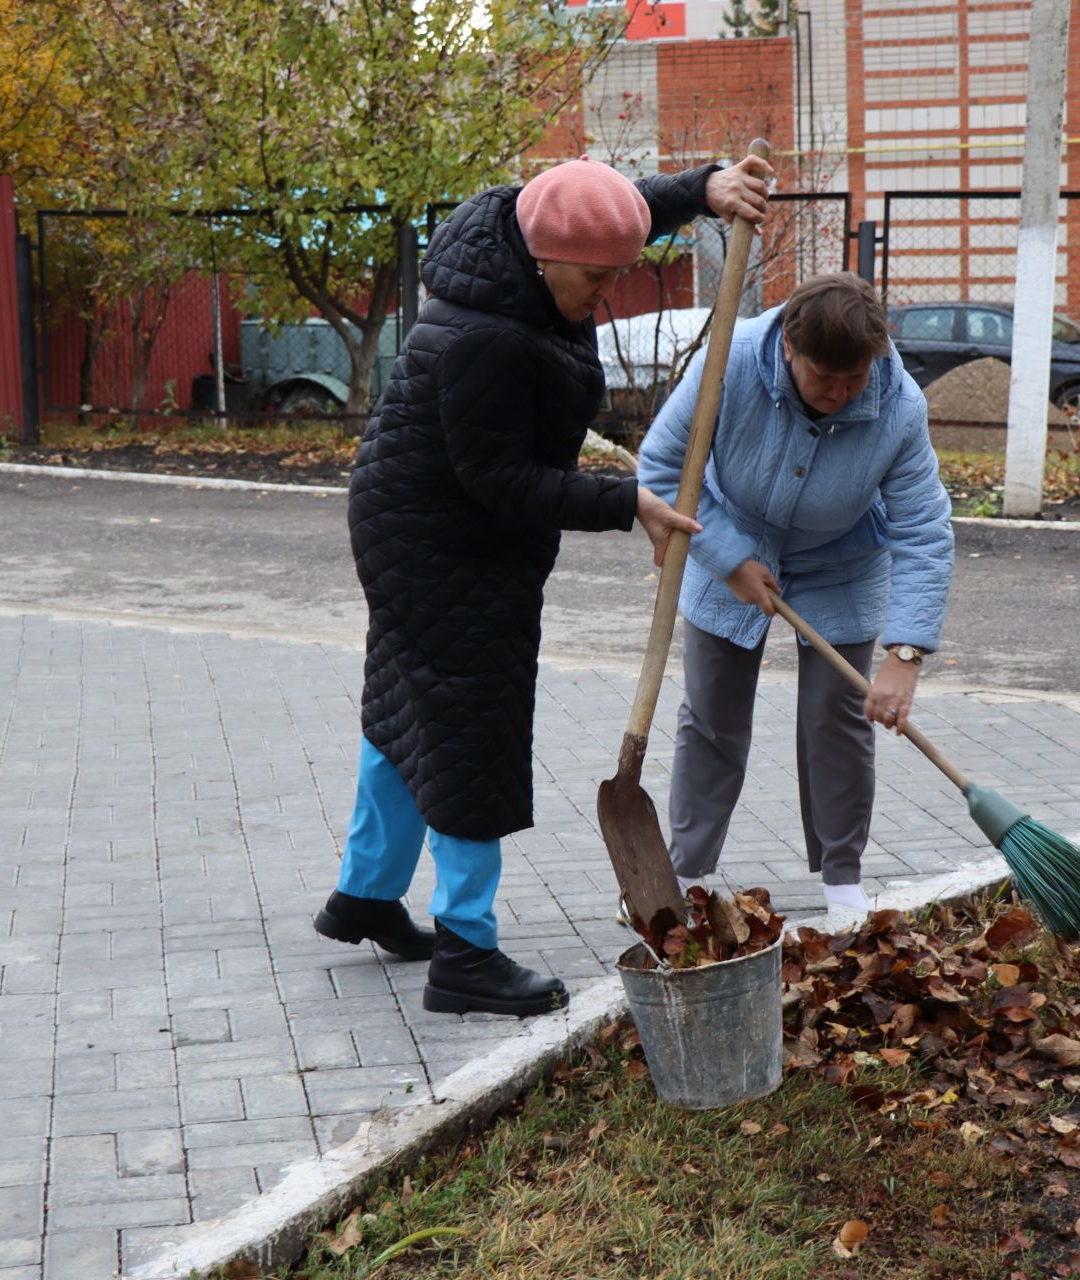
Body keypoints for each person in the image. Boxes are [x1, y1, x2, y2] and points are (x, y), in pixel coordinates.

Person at [316, 153, 773, 1018]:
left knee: (407, 705)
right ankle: (466, 954)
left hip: (422, 522)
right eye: (596, 279)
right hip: (444, 540)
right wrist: (624, 501)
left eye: (618, 274)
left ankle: (366, 894)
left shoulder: (521, 236)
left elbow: (612, 208)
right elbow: (500, 479)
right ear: (544, 258)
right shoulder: (487, 337)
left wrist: (702, 188)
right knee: (469, 729)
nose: (606, 294)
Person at [637, 272, 955, 932]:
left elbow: (924, 528)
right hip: (728, 537)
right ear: (789, 346)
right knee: (713, 719)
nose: (839, 396)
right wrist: (727, 559)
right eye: (823, 380)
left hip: (841, 561)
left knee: (835, 722)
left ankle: (843, 884)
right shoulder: (729, 359)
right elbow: (663, 468)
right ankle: (685, 876)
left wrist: (905, 654)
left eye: (854, 380)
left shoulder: (899, 406)